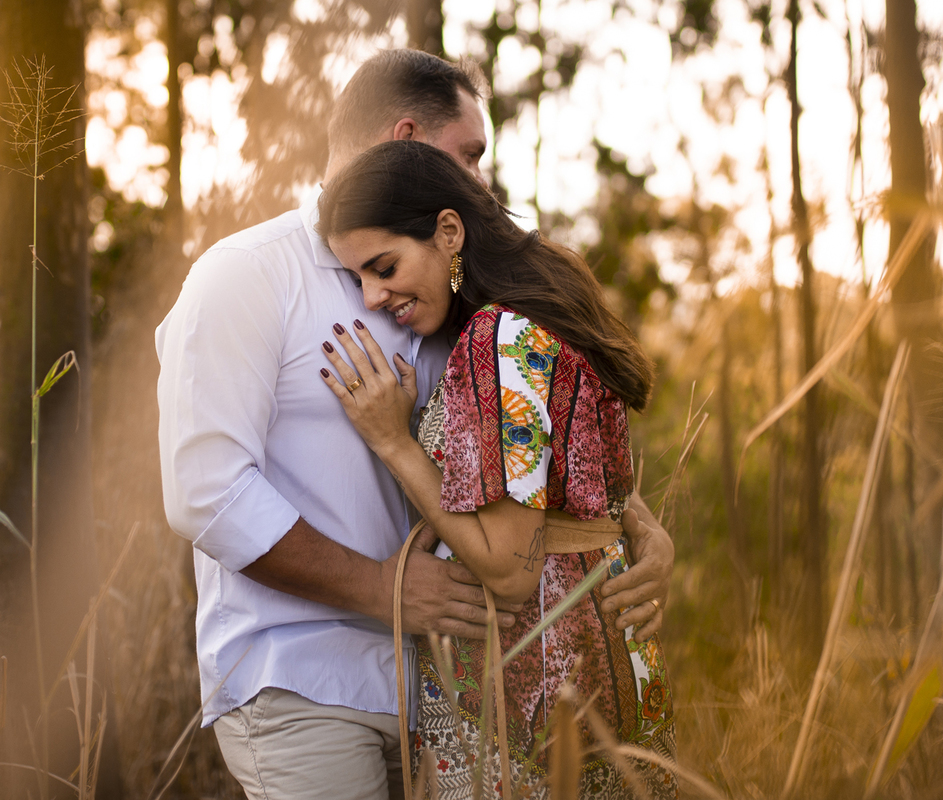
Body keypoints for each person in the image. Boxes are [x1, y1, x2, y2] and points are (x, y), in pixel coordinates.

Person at [156, 49, 675, 800]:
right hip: (303, 678)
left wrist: (636, 533)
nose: (482, 182)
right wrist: (386, 591)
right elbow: (205, 494)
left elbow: (526, 445)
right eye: (469, 156)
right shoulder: (243, 276)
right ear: (405, 137)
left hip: (457, 688)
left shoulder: (454, 289)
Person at [315, 139, 676, 798]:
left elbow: (511, 573)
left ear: (448, 231)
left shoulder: (496, 340)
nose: (370, 297)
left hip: (530, 699)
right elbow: (584, 482)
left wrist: (393, 442)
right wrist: (647, 533)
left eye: (384, 266)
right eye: (357, 278)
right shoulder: (546, 302)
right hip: (612, 685)